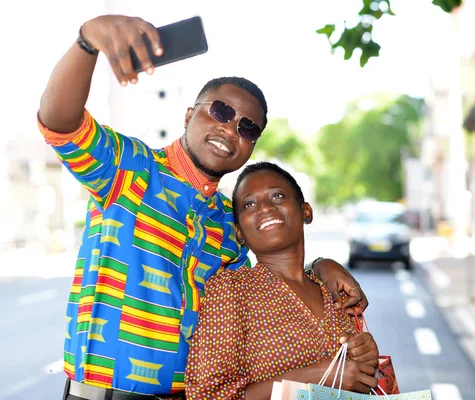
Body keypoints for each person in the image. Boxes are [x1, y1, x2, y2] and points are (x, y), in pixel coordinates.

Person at [38, 15, 368, 400]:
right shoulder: (129, 169)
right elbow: (59, 123)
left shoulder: (231, 223)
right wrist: (87, 43)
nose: (231, 129)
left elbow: (270, 280)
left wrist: (321, 267)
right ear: (189, 114)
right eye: (221, 112)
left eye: (248, 128)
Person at [185, 162, 380, 399]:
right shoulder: (233, 290)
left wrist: (367, 359)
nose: (265, 207)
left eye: (277, 196)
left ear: (306, 211)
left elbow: (364, 385)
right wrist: (317, 376)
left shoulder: (335, 292)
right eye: (249, 204)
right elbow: (207, 395)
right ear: (239, 232)